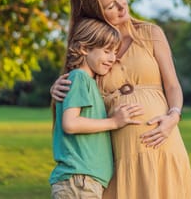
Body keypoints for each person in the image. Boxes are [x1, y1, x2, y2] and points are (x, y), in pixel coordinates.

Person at [50, 0, 191, 199]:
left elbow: (173, 85)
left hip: (162, 142)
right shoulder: (92, 49)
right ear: (96, 13)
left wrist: (173, 117)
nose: (122, 6)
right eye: (111, 6)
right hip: (120, 152)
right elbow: (79, 98)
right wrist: (59, 88)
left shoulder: (151, 33)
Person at [50, 18, 144, 199]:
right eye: (107, 51)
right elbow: (71, 124)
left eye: (115, 52)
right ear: (85, 49)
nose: (112, 58)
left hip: (85, 181)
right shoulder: (79, 78)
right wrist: (114, 122)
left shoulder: (89, 83)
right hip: (78, 181)